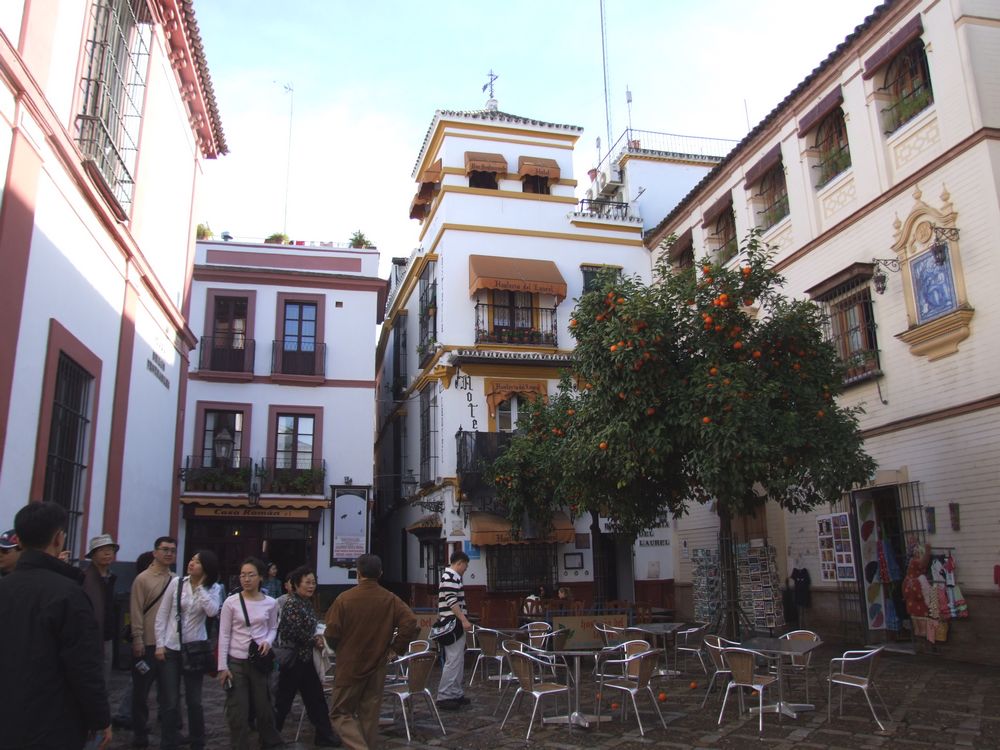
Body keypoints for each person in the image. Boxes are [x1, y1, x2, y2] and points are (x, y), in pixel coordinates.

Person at [0, 501, 111, 749]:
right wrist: (100, 717)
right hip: (53, 722)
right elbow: (83, 666)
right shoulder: (68, 593)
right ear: (58, 539)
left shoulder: (4, 588)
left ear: (19, 540)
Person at [324, 554, 417, 749]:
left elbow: (331, 632)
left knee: (340, 712)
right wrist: (394, 649)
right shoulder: (389, 599)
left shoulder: (344, 599)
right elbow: (410, 622)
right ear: (380, 573)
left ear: (358, 574)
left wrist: (339, 649)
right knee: (369, 716)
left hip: (349, 664)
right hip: (377, 664)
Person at [154, 550, 223, 750]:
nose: (191, 563)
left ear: (206, 568)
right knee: (170, 700)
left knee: (194, 700)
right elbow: (163, 614)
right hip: (172, 647)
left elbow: (212, 611)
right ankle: (168, 741)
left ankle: (197, 741)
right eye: (191, 560)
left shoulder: (214, 588)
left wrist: (201, 588)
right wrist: (160, 644)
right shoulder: (176, 583)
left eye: (197, 562)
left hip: (195, 649)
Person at [217, 557, 283, 749]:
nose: (246, 579)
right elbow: (224, 634)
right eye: (243, 575)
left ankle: (269, 741)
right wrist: (223, 666)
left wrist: (267, 642)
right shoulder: (231, 602)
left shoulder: (271, 603)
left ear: (260, 577)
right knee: (238, 709)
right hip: (236, 661)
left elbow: (272, 628)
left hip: (259, 662)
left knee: (264, 705)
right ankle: (239, 744)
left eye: (251, 575)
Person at [274, 566, 340, 746]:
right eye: (307, 582)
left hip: (305, 659)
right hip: (294, 659)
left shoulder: (306, 603)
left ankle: (324, 735)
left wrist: (317, 636)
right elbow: (293, 631)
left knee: (315, 698)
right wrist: (314, 640)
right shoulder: (292, 604)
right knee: (283, 701)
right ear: (296, 585)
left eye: (313, 582)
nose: (311, 586)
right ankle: (271, 737)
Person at [130, 536, 177, 748]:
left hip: (168, 645)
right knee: (141, 693)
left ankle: (169, 736)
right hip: (148, 642)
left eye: (173, 550)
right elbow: (136, 610)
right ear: (155, 552)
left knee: (169, 695)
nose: (169, 554)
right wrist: (137, 638)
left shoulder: (176, 580)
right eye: (165, 549)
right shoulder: (142, 579)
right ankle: (140, 734)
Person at [112, 551, 155, 731]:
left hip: (154, 639)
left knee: (145, 680)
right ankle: (128, 715)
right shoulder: (143, 585)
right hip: (146, 639)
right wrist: (138, 637)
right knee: (140, 679)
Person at [434, 549, 473, 710]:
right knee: (454, 659)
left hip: (453, 623)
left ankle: (455, 692)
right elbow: (451, 601)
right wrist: (463, 619)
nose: (466, 569)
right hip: (453, 623)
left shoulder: (451, 577)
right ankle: (444, 695)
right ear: (460, 563)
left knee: (458, 659)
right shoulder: (450, 577)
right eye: (465, 566)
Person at [82, 534, 119, 692]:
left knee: (104, 679)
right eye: (103, 550)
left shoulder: (110, 577)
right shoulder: (84, 578)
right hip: (89, 636)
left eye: (110, 550)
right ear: (93, 555)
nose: (107, 554)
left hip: (107, 634)